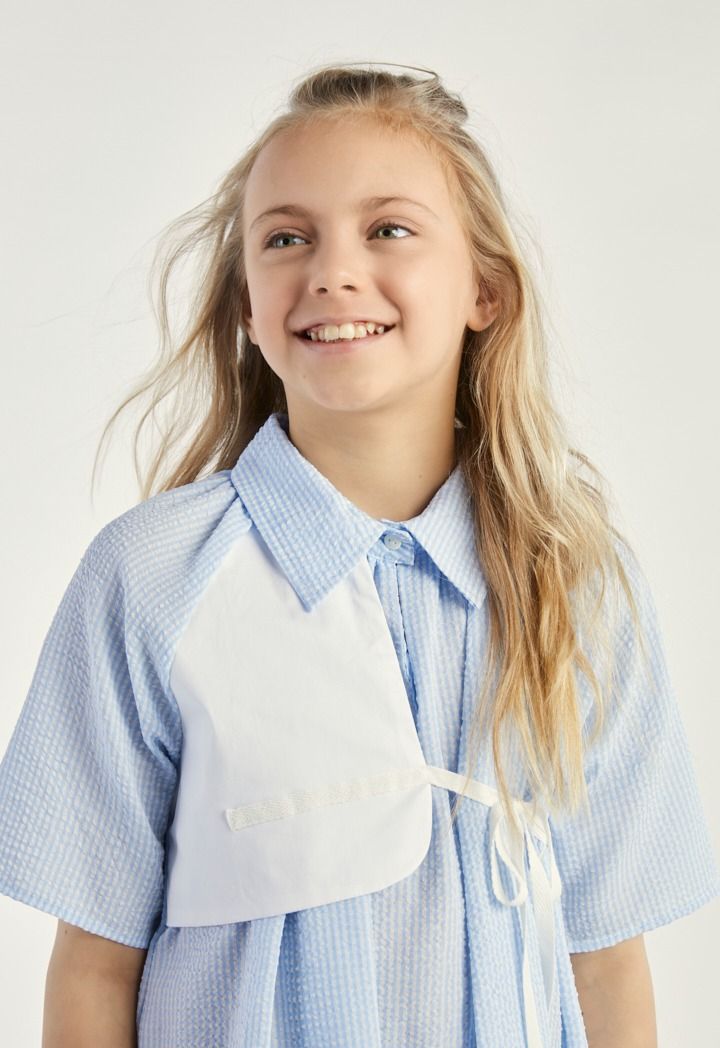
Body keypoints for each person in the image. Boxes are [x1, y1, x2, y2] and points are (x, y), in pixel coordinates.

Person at [0, 60, 718, 1048]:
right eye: (286, 237)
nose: (332, 271)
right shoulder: (152, 579)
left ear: (485, 289)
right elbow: (94, 964)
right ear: (247, 307)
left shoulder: (576, 583)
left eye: (388, 229)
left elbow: (605, 959)